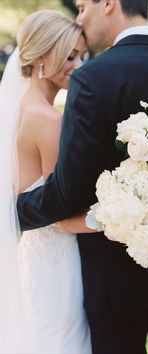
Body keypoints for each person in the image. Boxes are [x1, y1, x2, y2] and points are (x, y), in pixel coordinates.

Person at [16, 1, 148, 353]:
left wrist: (14, 212)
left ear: (108, 3)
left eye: (82, 6)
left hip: (113, 283)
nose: (80, 16)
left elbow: (69, 192)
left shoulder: (93, 78)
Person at [0, 9, 91, 354]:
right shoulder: (48, 120)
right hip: (59, 266)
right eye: (69, 55)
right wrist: (128, 217)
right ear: (41, 56)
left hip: (36, 258)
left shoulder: (22, 108)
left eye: (82, 55)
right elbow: (64, 216)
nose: (79, 65)